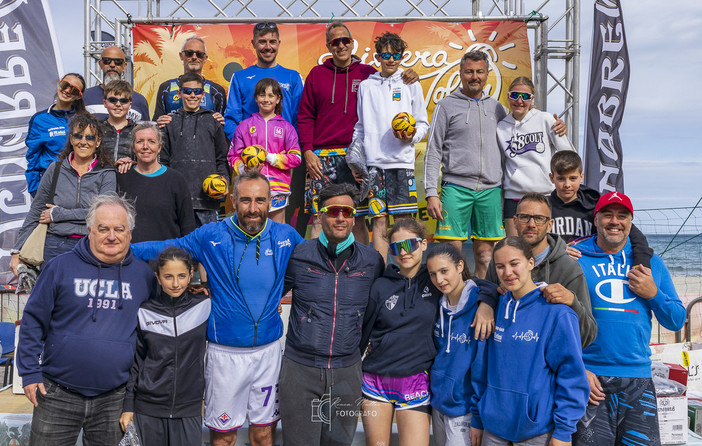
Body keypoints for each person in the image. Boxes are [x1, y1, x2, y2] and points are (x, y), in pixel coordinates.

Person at [131, 170, 304, 446]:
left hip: (269, 353)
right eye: (245, 200)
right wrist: (121, 250)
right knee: (224, 437)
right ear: (233, 201)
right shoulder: (212, 234)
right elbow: (165, 248)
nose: (253, 208)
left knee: (263, 434)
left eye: (260, 200)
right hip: (225, 355)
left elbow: (313, 265)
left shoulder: (286, 235)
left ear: (271, 201)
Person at [15, 195, 155, 445]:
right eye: (103, 229)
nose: (111, 236)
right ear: (90, 231)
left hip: (114, 399)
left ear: (130, 234)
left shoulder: (144, 276)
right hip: (56, 393)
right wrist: (29, 372)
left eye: (119, 229)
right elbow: (33, 321)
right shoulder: (60, 267)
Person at [424, 50, 566, 278]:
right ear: (460, 73)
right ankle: (455, 304)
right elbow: (433, 151)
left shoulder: (497, 108)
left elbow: (522, 124)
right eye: (469, 71)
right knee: (451, 254)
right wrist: (431, 192)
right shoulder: (445, 106)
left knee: (485, 256)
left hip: (491, 190)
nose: (474, 76)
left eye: (480, 71)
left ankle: (480, 300)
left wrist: (554, 124)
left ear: (487, 74)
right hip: (456, 187)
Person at [571, 192, 686, 446]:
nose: (615, 221)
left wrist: (653, 293)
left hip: (638, 381)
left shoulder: (650, 262)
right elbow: (553, 320)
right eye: (607, 215)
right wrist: (576, 367)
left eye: (622, 216)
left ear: (631, 221)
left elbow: (677, 320)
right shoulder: (574, 257)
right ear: (596, 218)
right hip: (589, 380)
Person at [280, 183, 385, 446]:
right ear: (320, 214)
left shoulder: (372, 261)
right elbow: (265, 294)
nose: (341, 218)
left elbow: (382, 307)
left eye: (347, 212)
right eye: (334, 211)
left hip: (347, 371)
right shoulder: (298, 255)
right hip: (300, 369)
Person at [297, 21, 418, 241]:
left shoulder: (368, 74)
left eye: (345, 40)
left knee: (358, 218)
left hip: (357, 158)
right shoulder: (316, 74)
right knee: (319, 217)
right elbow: (305, 116)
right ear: (328, 45)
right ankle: (314, 269)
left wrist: (409, 75)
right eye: (335, 41)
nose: (341, 45)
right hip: (322, 158)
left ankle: (360, 271)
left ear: (352, 43)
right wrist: (307, 151)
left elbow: (391, 76)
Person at [471, 236, 589, 446]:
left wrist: (563, 431)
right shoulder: (493, 308)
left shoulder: (557, 313)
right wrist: (478, 417)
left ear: (531, 263)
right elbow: (481, 369)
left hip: (535, 432)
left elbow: (571, 375)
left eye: (514, 264)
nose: (507, 273)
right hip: (492, 428)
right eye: (500, 266)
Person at [359, 219, 440, 446]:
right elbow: (362, 333)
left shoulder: (437, 280)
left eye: (410, 245)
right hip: (376, 381)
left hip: (415, 382)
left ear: (424, 244)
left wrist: (486, 302)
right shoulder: (380, 286)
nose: (403, 252)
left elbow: (476, 285)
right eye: (396, 247)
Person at [479, 193, 597, 348]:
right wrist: (486, 303)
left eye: (539, 218)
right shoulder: (500, 262)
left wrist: (572, 302)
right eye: (524, 217)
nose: (531, 224)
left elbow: (587, 336)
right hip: (505, 361)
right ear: (515, 221)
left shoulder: (568, 268)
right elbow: (487, 291)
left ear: (550, 224)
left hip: (545, 365)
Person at [120, 247, 211, 446]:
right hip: (148, 409)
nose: (176, 283)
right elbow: (136, 362)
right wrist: (128, 405)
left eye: (181, 276)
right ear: (158, 278)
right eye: (168, 276)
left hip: (189, 409)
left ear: (190, 276)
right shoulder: (145, 311)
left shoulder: (204, 306)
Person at [351, 32, 428, 261]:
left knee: (404, 221)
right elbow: (360, 126)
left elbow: (423, 123)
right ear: (377, 56)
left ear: (402, 57)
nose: (391, 59)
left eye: (396, 55)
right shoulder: (366, 86)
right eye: (386, 54)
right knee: (379, 220)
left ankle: (407, 273)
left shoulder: (411, 84)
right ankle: (381, 272)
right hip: (374, 164)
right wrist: (357, 160)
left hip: (401, 163)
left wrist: (411, 135)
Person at [10, 114, 117, 274]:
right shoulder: (55, 169)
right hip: (54, 246)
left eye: (89, 137)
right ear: (71, 139)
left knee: (87, 298)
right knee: (53, 298)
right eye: (78, 136)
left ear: (98, 142)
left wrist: (57, 214)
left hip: (92, 246)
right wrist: (16, 251)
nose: (83, 142)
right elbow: (36, 211)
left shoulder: (106, 172)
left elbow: (104, 214)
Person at [426, 243, 496, 446]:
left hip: (465, 410)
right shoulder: (437, 304)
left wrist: (478, 417)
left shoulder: (479, 307)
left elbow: (482, 368)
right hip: (438, 404)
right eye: (433, 274)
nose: (439, 280)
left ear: (460, 266)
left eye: (444, 271)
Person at [548, 151, 654, 269]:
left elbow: (635, 236)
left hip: (590, 268)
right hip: (554, 267)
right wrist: (555, 251)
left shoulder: (595, 204)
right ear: (552, 178)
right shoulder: (543, 208)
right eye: (561, 179)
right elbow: (530, 242)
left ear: (581, 177)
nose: (567, 184)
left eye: (573, 178)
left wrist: (641, 261)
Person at [497, 76, 574, 236]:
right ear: (508, 96)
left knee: (544, 248)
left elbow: (567, 156)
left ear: (532, 99)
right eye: (514, 95)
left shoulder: (545, 119)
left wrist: (566, 190)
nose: (519, 101)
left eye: (525, 97)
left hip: (544, 195)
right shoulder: (501, 127)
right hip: (514, 196)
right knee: (516, 249)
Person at [161, 72, 230, 227]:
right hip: (177, 199)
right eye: (187, 91)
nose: (192, 95)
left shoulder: (214, 121)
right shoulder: (169, 122)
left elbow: (222, 158)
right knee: (179, 248)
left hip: (208, 199)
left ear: (203, 94)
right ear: (179, 93)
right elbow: (163, 161)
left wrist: (224, 180)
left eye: (197, 91)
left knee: (206, 246)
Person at [229, 78, 301, 223]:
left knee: (277, 227)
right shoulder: (244, 126)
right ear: (256, 98)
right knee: (252, 227)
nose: (266, 99)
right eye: (262, 95)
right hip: (251, 185)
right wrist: (245, 169)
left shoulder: (287, 127)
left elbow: (296, 157)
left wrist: (271, 157)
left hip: (278, 186)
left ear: (278, 98)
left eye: (271, 95)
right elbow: (232, 156)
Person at [116, 122, 196, 243]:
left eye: (151, 142)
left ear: (159, 147)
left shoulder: (176, 179)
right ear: (133, 147)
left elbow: (188, 225)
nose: (145, 146)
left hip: (167, 256)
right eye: (139, 141)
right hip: (131, 256)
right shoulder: (122, 177)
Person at [224, 22, 303, 139]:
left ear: (279, 43)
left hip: (284, 153)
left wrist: (291, 147)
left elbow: (300, 119)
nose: (267, 47)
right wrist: (244, 145)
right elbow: (230, 120)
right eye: (262, 42)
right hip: (251, 152)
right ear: (253, 44)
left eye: (272, 42)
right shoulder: (239, 77)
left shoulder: (293, 77)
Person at [24, 73, 86, 196]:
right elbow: (32, 158)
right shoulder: (40, 119)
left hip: (78, 184)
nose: (67, 90)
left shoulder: (84, 119)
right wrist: (34, 190)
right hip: (49, 184)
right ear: (59, 84)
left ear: (78, 96)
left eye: (73, 90)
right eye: (65, 84)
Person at [152, 36, 227, 125]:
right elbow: (155, 126)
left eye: (199, 54)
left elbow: (223, 128)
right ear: (181, 56)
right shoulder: (166, 88)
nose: (194, 57)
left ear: (205, 58)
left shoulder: (217, 91)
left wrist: (222, 122)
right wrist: (159, 122)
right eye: (189, 53)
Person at [83, 45, 150, 121]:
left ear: (124, 66)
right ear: (100, 64)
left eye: (118, 62)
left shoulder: (139, 100)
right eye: (107, 61)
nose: (112, 65)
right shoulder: (85, 96)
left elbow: (146, 129)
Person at [100, 80, 137, 167]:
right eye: (113, 100)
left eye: (123, 101)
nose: (118, 104)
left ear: (130, 105)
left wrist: (135, 164)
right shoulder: (96, 129)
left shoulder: (137, 130)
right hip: (101, 178)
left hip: (128, 177)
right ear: (105, 103)